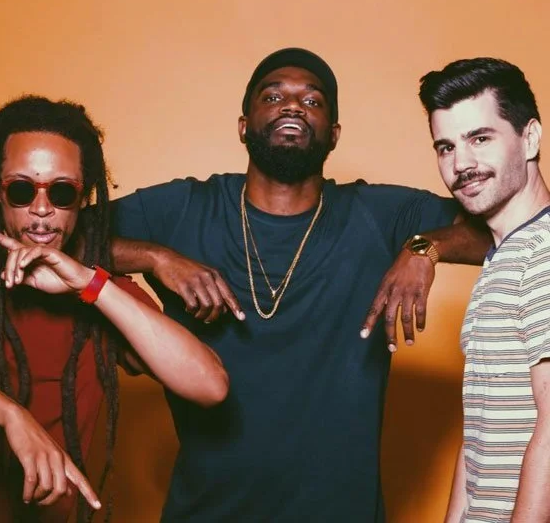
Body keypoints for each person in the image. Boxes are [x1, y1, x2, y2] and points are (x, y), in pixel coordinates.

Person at [109, 48, 490, 522]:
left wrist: (423, 248)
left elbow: (513, 229)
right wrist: (154, 259)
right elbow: (58, 237)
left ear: (334, 135)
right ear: (244, 125)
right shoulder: (185, 207)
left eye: (312, 101)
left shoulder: (378, 214)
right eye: (273, 96)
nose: (292, 105)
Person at [0, 96, 228, 523]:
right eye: (22, 190)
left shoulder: (97, 289)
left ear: (83, 200)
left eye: (62, 192)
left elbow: (209, 386)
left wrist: (90, 284)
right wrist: (11, 415)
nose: (42, 209)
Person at [420, 57, 550, 523]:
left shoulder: (544, 252)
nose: (461, 164)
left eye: (480, 138)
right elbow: (481, 432)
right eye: (446, 147)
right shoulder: (503, 258)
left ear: (529, 138)